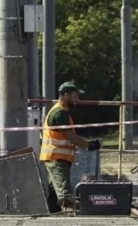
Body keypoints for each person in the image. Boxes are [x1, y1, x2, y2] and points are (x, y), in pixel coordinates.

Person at [40, 82, 100, 212]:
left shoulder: (61, 112)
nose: (77, 99)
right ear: (66, 95)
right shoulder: (59, 113)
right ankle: (70, 218)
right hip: (57, 157)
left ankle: (52, 215)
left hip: (57, 157)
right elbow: (70, 136)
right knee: (65, 192)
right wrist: (89, 145)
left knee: (54, 192)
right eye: (74, 96)